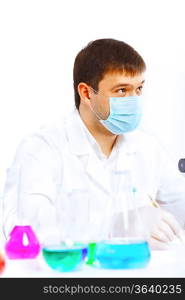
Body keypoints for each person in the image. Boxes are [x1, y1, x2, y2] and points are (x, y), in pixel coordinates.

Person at [3, 39, 185, 249]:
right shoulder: (43, 147)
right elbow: (28, 228)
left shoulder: (147, 147)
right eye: (121, 90)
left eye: (139, 89)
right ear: (87, 93)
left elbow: (180, 204)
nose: (134, 100)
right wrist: (115, 225)